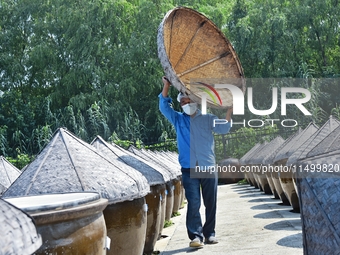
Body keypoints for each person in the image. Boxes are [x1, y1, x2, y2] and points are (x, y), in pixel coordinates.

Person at [158, 76, 233, 248]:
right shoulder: (178, 119)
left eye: (188, 100)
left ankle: (210, 234)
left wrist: (229, 111)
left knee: (210, 202)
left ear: (196, 101)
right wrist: (166, 86)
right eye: (183, 101)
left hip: (207, 166)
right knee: (194, 202)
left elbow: (224, 128)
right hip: (189, 168)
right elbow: (163, 106)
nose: (186, 103)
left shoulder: (208, 119)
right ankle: (196, 236)